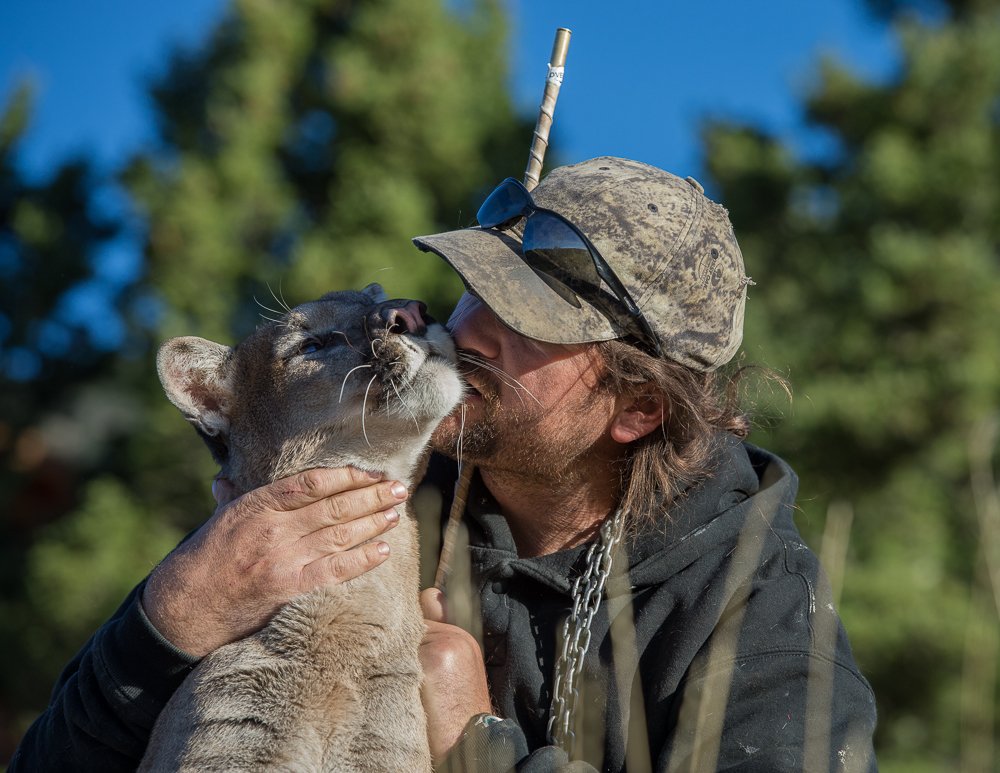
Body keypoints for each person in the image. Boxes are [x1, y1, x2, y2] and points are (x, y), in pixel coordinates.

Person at [10, 157, 877, 772]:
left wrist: (474, 736)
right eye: (477, 285)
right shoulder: (367, 488)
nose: (465, 332)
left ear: (638, 409)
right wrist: (170, 617)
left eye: (530, 321)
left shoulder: (760, 617)